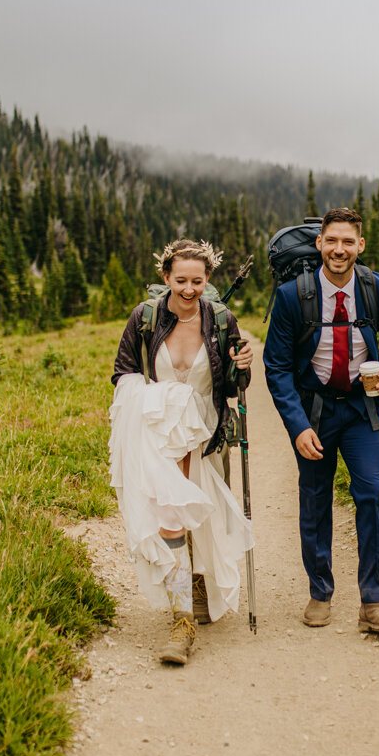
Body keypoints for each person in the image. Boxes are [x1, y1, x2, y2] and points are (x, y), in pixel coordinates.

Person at [263, 208, 379, 634]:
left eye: (348, 242)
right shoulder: (294, 296)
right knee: (314, 500)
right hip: (315, 412)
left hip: (363, 410)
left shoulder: (376, 288)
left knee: (373, 494)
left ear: (360, 246)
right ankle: (320, 592)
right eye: (332, 241)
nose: (339, 250)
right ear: (319, 244)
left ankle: (375, 602)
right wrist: (297, 427)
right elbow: (276, 367)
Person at [109, 239, 254, 666]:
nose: (189, 289)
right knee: (171, 515)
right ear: (165, 278)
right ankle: (181, 622)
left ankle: (195, 580)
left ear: (208, 279)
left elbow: (233, 389)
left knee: (200, 515)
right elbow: (123, 372)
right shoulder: (146, 317)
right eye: (180, 280)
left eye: (197, 280)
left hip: (205, 432)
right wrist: (159, 402)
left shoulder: (222, 319)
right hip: (158, 431)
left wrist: (241, 367)